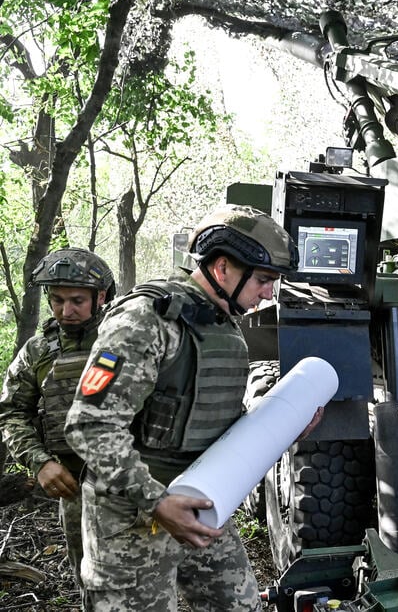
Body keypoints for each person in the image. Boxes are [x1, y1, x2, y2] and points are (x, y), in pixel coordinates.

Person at [64, 204, 321, 610]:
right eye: (264, 280)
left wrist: (286, 426)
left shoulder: (222, 325)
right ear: (222, 270)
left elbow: (206, 418)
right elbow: (89, 425)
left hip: (201, 497)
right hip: (132, 515)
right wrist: (157, 502)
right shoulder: (147, 319)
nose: (269, 293)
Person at [0, 248, 115, 595]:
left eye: (78, 300)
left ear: (102, 296)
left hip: (134, 484)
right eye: (57, 300)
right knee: (91, 584)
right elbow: (10, 412)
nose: (67, 311)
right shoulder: (38, 351)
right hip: (74, 485)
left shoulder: (126, 338)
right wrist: (41, 463)